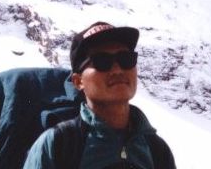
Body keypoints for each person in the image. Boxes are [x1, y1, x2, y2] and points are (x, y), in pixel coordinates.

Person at [23, 21, 177, 169]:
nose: (118, 70)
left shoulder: (157, 150)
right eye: (102, 61)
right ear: (78, 81)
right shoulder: (58, 145)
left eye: (126, 59)